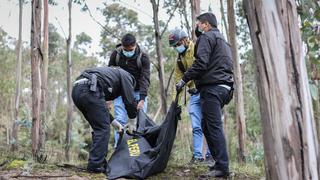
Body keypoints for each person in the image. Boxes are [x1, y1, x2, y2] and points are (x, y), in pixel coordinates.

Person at [176, 13, 234, 178]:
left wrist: (184, 80)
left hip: (213, 88)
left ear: (206, 25)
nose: (197, 28)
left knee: (213, 126)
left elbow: (201, 63)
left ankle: (223, 168)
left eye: (199, 24)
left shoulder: (207, 37)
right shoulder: (223, 40)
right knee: (206, 124)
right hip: (224, 88)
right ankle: (218, 163)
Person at [72, 66, 138, 173]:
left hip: (77, 91)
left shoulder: (110, 74)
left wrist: (114, 123)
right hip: (90, 89)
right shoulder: (127, 76)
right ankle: (95, 165)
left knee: (98, 127)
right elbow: (130, 101)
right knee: (102, 129)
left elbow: (99, 107)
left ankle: (99, 161)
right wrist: (132, 120)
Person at [168, 28, 212, 164]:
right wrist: (175, 104)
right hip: (194, 94)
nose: (177, 47)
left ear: (184, 39)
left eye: (177, 44)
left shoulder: (198, 48)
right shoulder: (180, 60)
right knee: (196, 126)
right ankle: (198, 156)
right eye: (175, 46)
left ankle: (211, 155)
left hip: (206, 91)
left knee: (210, 124)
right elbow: (177, 82)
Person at [108, 33, 150, 145]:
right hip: (120, 93)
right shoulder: (115, 55)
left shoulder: (143, 57)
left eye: (130, 50)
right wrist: (109, 98)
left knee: (139, 122)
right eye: (125, 49)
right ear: (122, 46)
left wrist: (142, 98)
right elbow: (110, 76)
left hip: (137, 92)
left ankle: (138, 153)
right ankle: (119, 149)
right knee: (120, 119)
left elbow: (145, 78)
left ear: (135, 45)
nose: (127, 52)